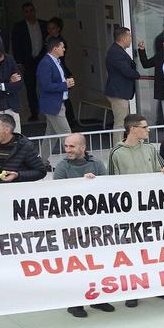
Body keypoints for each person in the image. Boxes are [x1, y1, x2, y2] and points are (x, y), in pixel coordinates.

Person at [55, 135, 118, 318]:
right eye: (66, 146)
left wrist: (94, 183)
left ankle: (98, 298)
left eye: (72, 146)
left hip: (94, 224)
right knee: (77, 265)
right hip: (72, 225)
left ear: (83, 147)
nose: (68, 150)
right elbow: (56, 193)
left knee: (97, 262)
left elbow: (107, 188)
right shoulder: (62, 167)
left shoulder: (97, 165)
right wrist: (79, 185)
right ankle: (75, 303)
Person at [0, 112, 49, 183]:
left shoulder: (25, 146)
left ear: (7, 130)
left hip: (17, 191)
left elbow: (41, 171)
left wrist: (18, 175)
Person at [11, 2, 46, 122]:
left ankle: (46, 110)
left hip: (42, 60)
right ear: (23, 13)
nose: (29, 13)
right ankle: (34, 112)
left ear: (34, 11)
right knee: (30, 88)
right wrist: (19, 63)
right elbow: (16, 46)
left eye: (31, 10)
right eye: (26, 11)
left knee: (45, 86)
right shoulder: (19, 27)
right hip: (27, 61)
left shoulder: (43, 24)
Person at [104, 26, 139, 136]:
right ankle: (117, 149)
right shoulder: (116, 52)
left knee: (123, 122)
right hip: (118, 92)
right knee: (120, 123)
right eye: (129, 36)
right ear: (123, 38)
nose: (131, 39)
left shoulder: (118, 50)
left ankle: (124, 146)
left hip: (120, 92)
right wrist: (137, 74)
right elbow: (126, 71)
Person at [36, 36, 73, 135]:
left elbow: (57, 80)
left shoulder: (57, 62)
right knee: (67, 134)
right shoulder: (46, 63)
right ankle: (75, 151)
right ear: (55, 48)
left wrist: (66, 82)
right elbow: (46, 86)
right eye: (62, 47)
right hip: (53, 104)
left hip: (58, 102)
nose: (64, 49)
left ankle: (44, 152)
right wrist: (65, 85)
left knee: (51, 135)